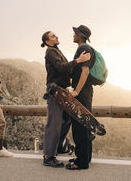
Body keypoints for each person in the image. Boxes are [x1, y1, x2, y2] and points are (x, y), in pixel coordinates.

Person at [41, 31, 91, 167]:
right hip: (55, 91)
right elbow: (61, 68)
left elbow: (66, 69)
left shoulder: (57, 51)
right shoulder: (50, 51)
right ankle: (48, 156)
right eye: (52, 36)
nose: (56, 36)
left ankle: (59, 147)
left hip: (63, 91)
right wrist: (79, 61)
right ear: (47, 41)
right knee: (54, 123)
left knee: (67, 121)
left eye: (56, 35)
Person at [66, 25, 96, 170]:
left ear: (80, 35)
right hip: (86, 92)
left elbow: (84, 71)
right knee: (85, 125)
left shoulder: (83, 48)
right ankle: (85, 157)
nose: (73, 34)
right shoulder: (86, 48)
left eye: (75, 33)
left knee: (79, 127)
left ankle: (81, 162)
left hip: (82, 93)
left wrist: (76, 91)